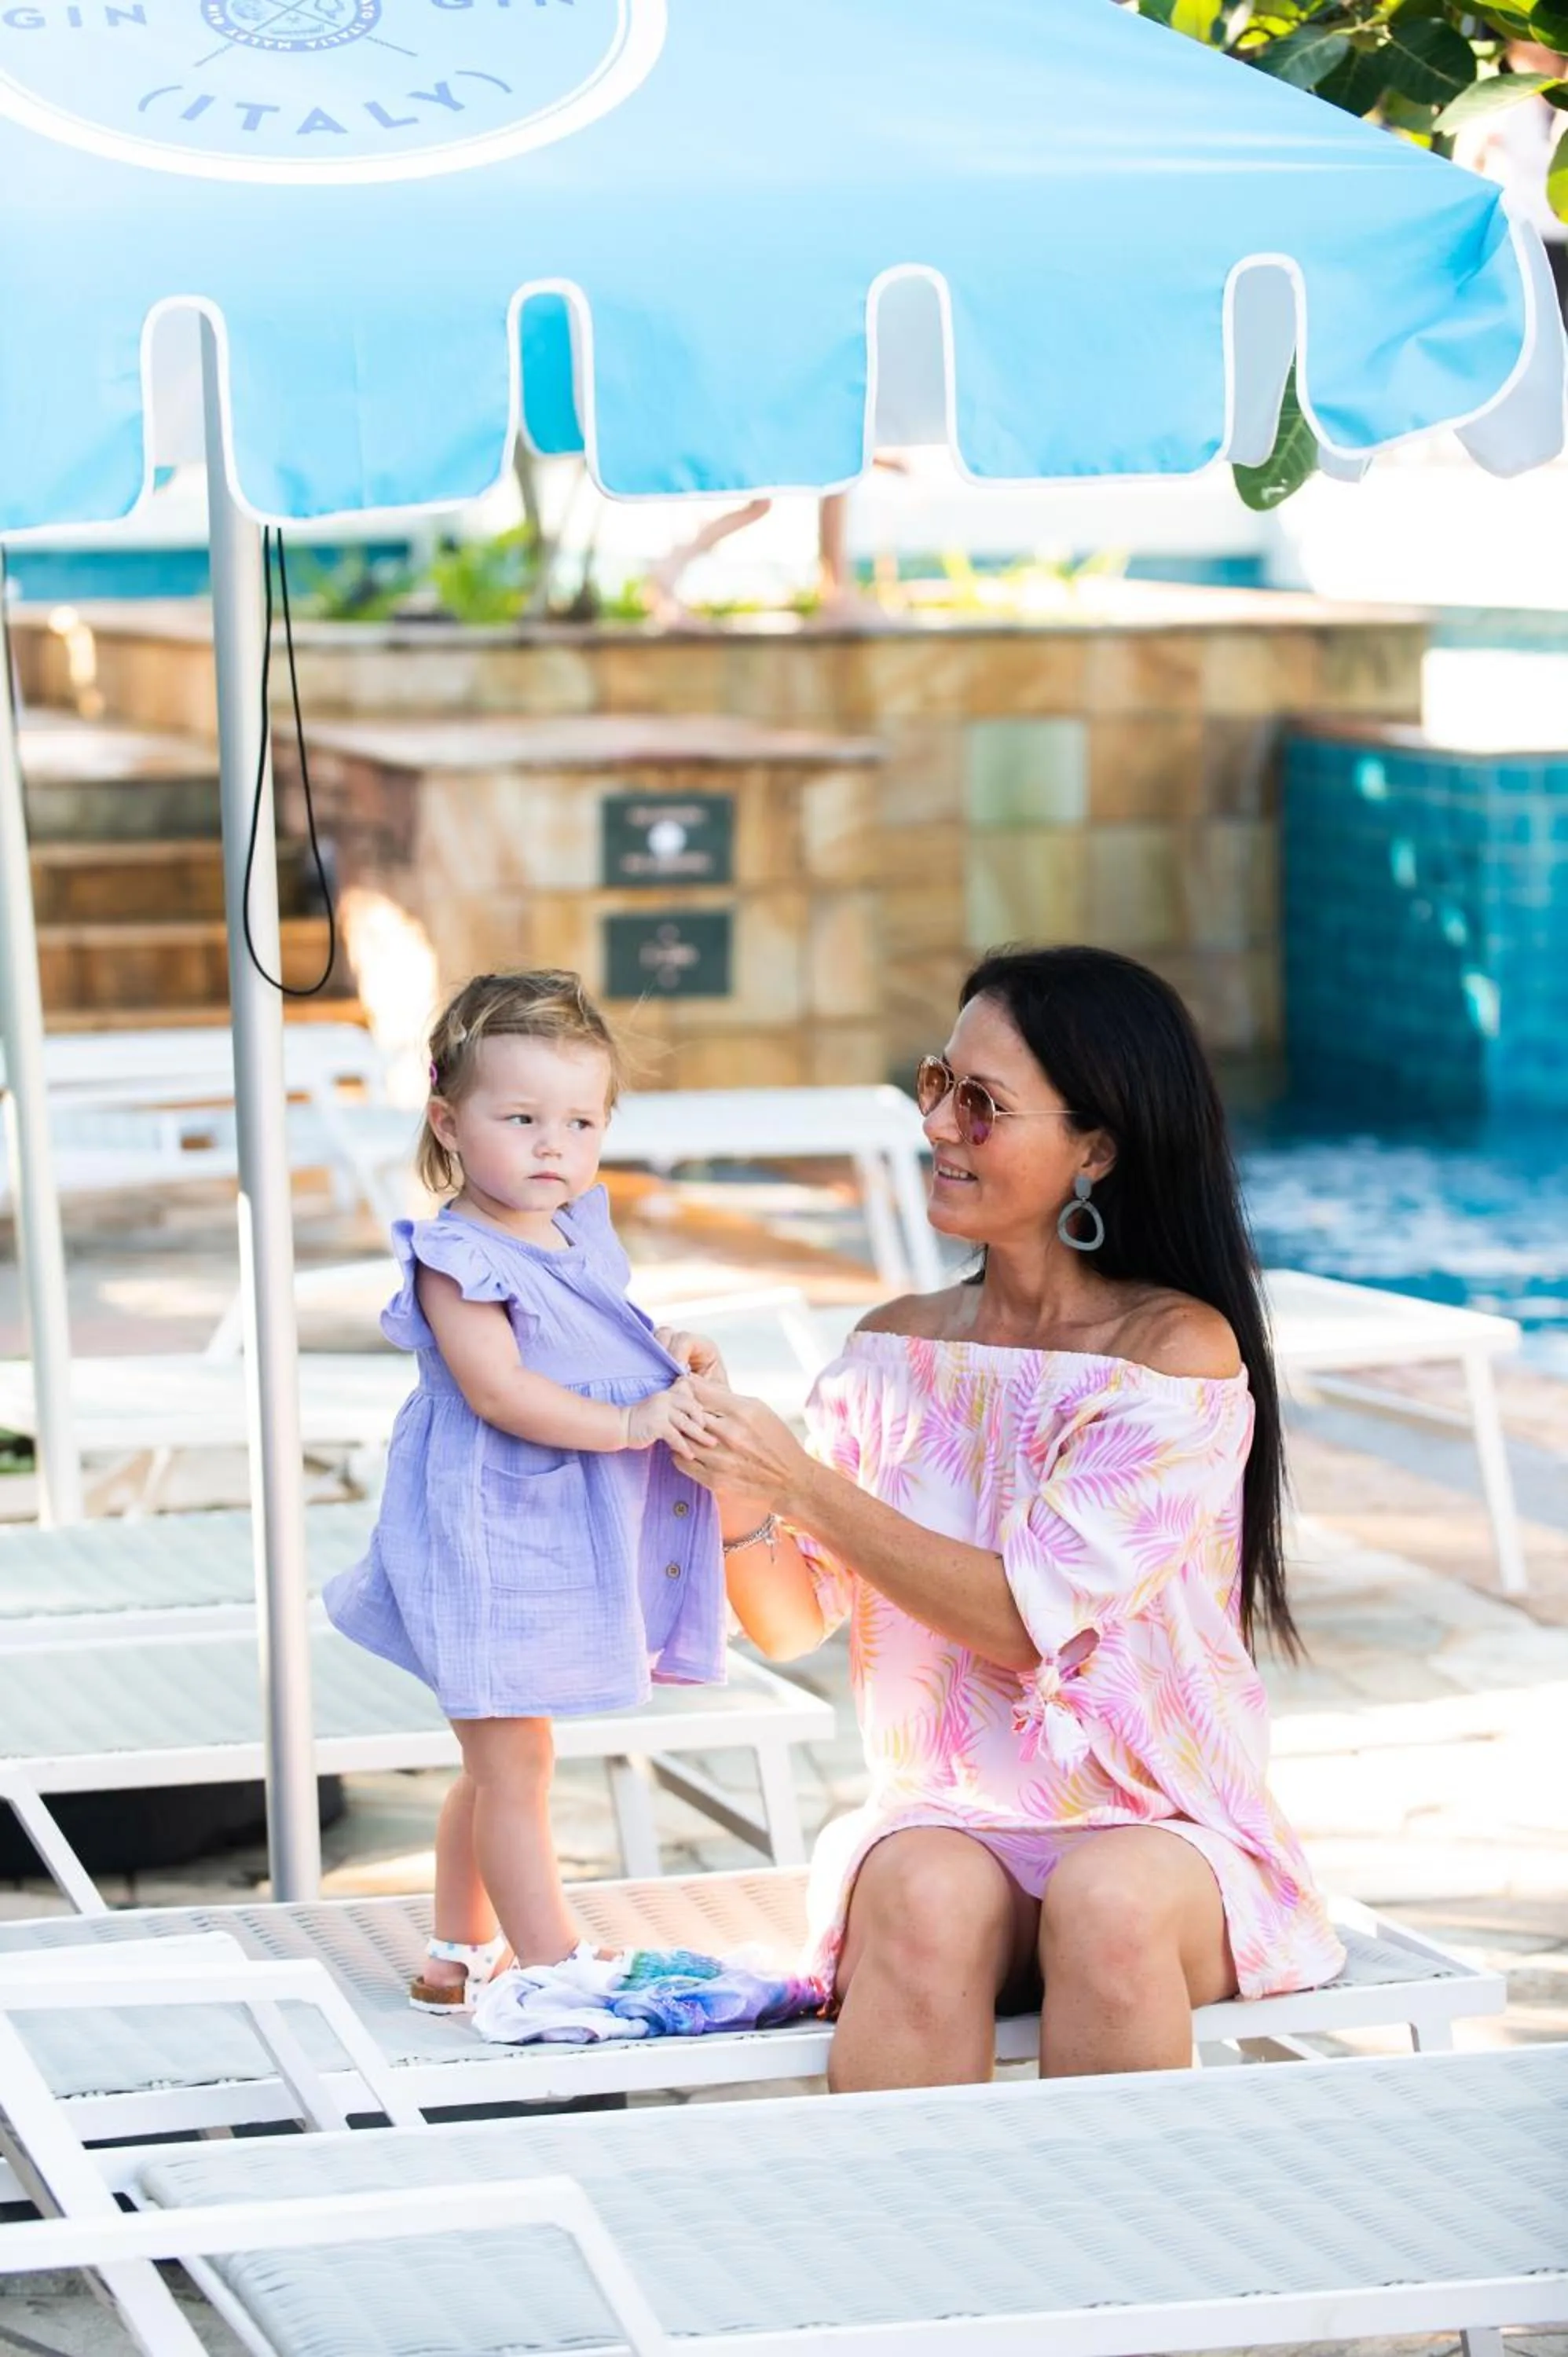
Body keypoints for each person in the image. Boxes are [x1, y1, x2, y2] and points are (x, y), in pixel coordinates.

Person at [671, 945, 1346, 2089]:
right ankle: (899, 2253)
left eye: (982, 1104)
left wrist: (805, 1484)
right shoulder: (896, 1349)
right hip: (947, 1815)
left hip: (1160, 1830)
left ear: (1096, 1147)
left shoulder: (1172, 1356)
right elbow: (788, 1626)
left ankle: (1108, 2265)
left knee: (1110, 1903)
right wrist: (735, 1481)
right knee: (927, 1897)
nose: (937, 1124)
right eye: (939, 1083)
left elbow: (1028, 1619)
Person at [324, 970, 725, 2013]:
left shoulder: (576, 1228)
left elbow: (597, 1329)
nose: (555, 1145)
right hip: (487, 1538)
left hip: (544, 1532)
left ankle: (457, 1953)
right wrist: (634, 1423)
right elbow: (500, 1392)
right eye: (522, 1118)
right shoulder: (455, 1257)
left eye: (580, 1121)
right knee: (512, 1764)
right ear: (449, 1124)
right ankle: (548, 1965)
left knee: (505, 1754)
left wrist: (664, 1348)